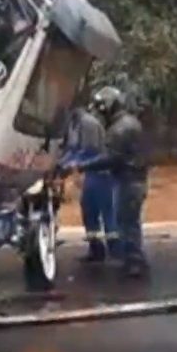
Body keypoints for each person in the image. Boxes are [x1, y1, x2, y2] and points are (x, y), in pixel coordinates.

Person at [60, 86, 150, 278]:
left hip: (127, 180)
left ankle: (135, 262)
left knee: (125, 222)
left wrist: (80, 166)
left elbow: (109, 158)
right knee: (128, 221)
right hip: (134, 178)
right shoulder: (129, 123)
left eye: (102, 109)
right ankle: (131, 260)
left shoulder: (119, 129)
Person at [59, 102, 117, 263]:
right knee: (89, 212)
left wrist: (70, 165)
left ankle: (115, 250)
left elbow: (88, 151)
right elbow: (73, 149)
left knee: (107, 213)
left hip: (100, 173)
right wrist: (62, 163)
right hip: (89, 174)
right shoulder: (74, 124)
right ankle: (96, 249)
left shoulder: (88, 123)